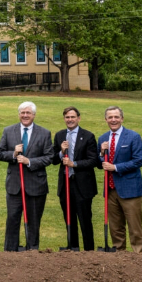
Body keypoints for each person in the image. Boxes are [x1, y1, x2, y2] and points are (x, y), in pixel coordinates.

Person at [0, 101, 53, 251]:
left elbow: (49, 157)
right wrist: (13, 154)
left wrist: (29, 161)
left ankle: (32, 251)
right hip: (15, 185)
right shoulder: (9, 131)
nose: (25, 115)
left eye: (28, 113)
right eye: (22, 112)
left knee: (34, 221)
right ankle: (10, 251)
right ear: (19, 114)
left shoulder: (44, 133)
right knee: (12, 219)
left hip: (36, 186)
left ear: (34, 115)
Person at [98, 105, 142, 253]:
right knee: (115, 227)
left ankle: (139, 258)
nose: (113, 120)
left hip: (130, 189)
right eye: (110, 117)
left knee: (134, 227)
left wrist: (115, 168)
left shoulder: (133, 137)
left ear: (122, 118)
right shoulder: (103, 138)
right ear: (106, 119)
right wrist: (101, 153)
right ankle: (120, 256)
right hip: (111, 189)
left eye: (116, 117)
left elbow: (138, 161)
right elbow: (101, 164)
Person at [52, 107, 99, 251]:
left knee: (85, 219)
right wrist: (61, 152)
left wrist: (74, 164)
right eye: (67, 117)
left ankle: (89, 250)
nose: (70, 120)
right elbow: (53, 160)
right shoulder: (60, 135)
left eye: (73, 117)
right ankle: (72, 248)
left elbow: (93, 160)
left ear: (78, 118)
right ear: (64, 119)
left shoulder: (88, 136)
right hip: (66, 184)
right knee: (69, 219)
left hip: (83, 185)